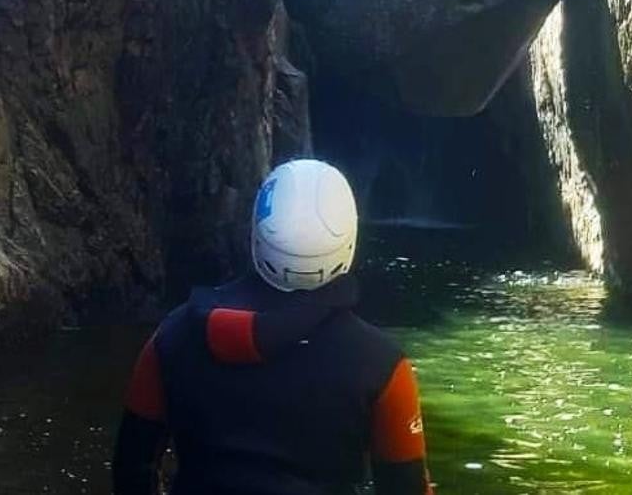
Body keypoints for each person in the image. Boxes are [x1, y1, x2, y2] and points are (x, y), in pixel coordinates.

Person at [112, 159, 433, 494]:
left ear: (256, 229)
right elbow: (406, 487)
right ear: (349, 241)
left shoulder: (174, 336)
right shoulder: (382, 365)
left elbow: (131, 468)